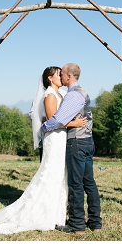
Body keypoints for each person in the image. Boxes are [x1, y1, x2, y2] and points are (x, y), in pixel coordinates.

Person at [0, 66, 85, 234]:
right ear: (50, 78)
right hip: (54, 139)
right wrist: (74, 124)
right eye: (58, 74)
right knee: (50, 174)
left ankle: (57, 215)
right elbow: (53, 120)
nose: (61, 77)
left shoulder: (58, 94)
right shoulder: (49, 95)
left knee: (59, 175)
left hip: (60, 139)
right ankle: (45, 214)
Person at [44, 63, 102, 234]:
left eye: (62, 74)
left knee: (76, 184)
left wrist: (45, 126)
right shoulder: (81, 92)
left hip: (77, 142)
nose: (60, 77)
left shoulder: (74, 96)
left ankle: (77, 225)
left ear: (69, 77)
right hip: (88, 141)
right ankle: (95, 222)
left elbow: (58, 120)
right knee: (89, 182)